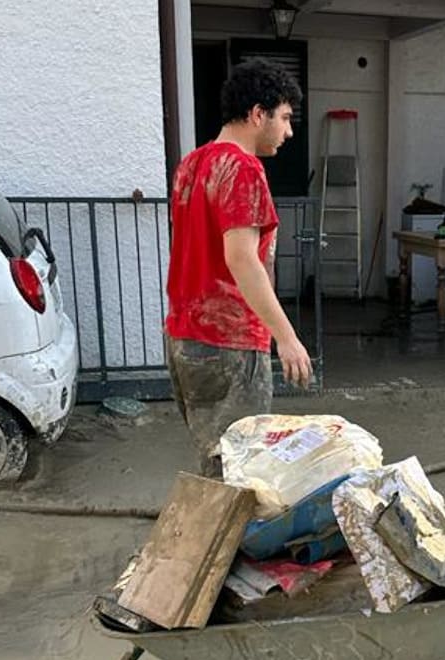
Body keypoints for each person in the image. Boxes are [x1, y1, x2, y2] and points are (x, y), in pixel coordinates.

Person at [164, 58, 313, 479]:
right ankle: (222, 546)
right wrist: (287, 338)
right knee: (237, 469)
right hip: (229, 342)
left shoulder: (192, 165)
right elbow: (241, 258)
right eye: (283, 118)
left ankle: (210, 540)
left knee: (214, 458)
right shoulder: (244, 168)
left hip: (183, 338)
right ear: (257, 114)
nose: (288, 131)